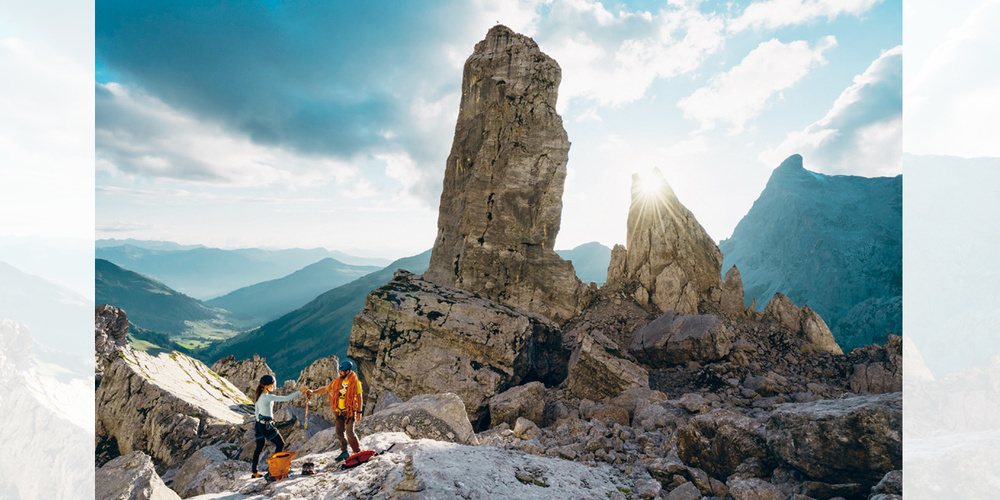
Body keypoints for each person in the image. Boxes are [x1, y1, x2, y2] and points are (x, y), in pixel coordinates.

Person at [251, 374, 308, 478]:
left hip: (259, 425)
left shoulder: (258, 396)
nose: (273, 385)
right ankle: (275, 469)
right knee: (280, 443)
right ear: (266, 385)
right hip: (267, 426)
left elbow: (256, 413)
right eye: (272, 383)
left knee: (259, 447)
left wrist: (261, 420)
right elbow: (286, 398)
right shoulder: (267, 397)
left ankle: (254, 471)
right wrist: (301, 390)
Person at [307, 359, 363, 461]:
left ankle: (357, 452)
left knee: (350, 432)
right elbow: (326, 389)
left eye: (341, 371)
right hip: (339, 412)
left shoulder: (355, 382)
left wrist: (359, 412)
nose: (339, 373)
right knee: (339, 431)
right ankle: (344, 452)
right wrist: (313, 392)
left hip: (350, 410)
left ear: (347, 371)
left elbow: (359, 397)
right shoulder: (337, 382)